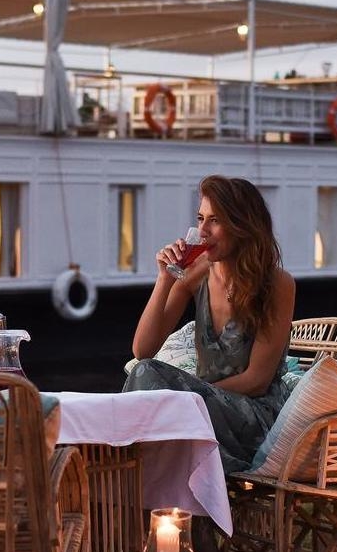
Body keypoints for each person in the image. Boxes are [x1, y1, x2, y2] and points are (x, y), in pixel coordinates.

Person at [124, 175, 296, 474]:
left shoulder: (277, 283)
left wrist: (186, 398)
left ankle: (127, 469)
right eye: (200, 218)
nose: (202, 232)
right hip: (200, 408)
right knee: (146, 371)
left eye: (215, 221)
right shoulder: (197, 272)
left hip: (252, 417)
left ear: (242, 225)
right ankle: (137, 473)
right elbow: (143, 349)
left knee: (151, 379)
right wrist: (165, 278)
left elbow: (257, 380)